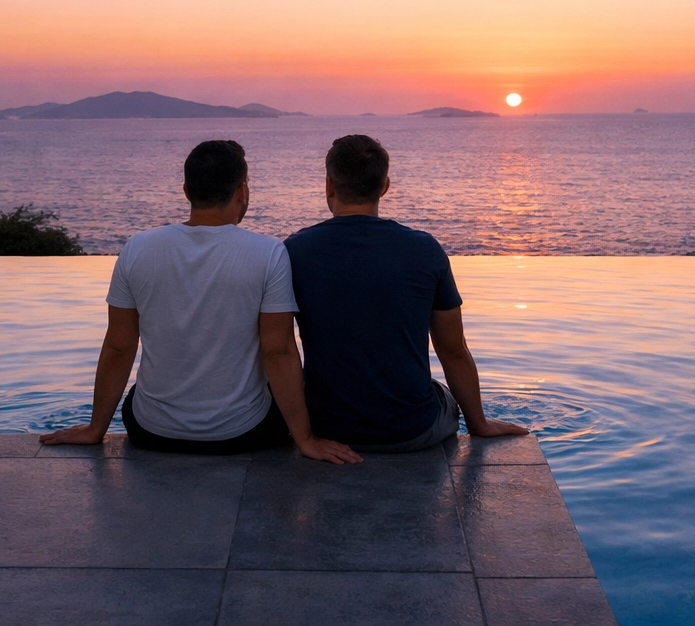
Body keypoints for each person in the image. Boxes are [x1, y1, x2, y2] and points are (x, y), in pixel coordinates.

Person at [40, 139, 360, 464]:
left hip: (152, 432)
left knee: (142, 394)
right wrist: (305, 439)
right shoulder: (267, 253)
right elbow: (277, 350)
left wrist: (96, 429)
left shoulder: (138, 248)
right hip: (242, 434)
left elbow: (119, 347)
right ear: (241, 191)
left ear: (186, 190)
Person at [284, 134, 528, 452]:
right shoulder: (425, 250)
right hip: (409, 430)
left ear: (329, 185)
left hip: (326, 427)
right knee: (441, 395)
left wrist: (303, 437)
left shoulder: (293, 251)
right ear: (384, 186)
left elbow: (278, 350)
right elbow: (452, 350)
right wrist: (479, 424)